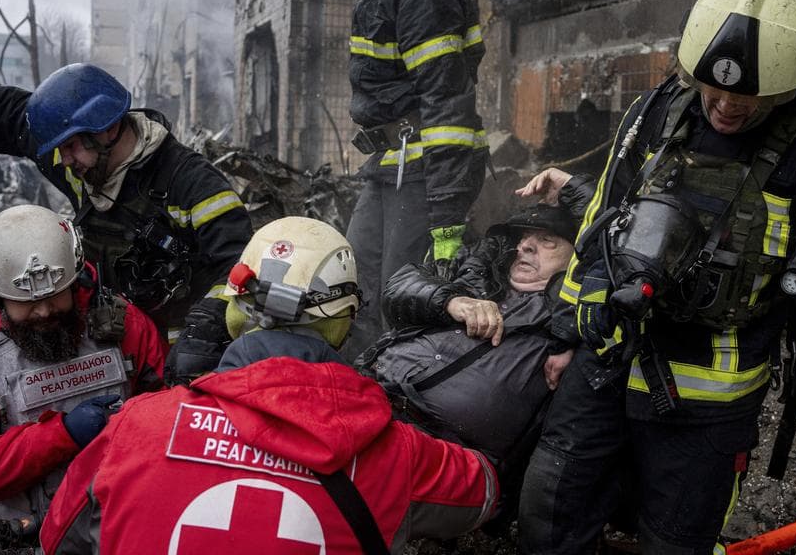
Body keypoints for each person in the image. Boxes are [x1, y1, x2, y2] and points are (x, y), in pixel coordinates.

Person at [517, 0, 796, 554]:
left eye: (745, 95)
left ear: (787, 83)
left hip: (707, 408)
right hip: (605, 369)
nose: (725, 105)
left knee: (676, 542)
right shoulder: (654, 112)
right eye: (712, 88)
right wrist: (567, 335)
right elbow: (602, 227)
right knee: (549, 516)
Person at [39, 217, 498, 554]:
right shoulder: (398, 452)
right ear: (345, 320)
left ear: (234, 309)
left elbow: (58, 539)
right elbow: (484, 491)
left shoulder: (136, 426)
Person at [0, 62, 254, 385]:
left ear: (108, 129)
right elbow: (11, 112)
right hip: (115, 344)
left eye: (70, 146)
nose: (64, 161)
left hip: (178, 354)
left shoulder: (191, 183)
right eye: (59, 149)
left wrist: (203, 329)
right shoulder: (79, 165)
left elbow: (241, 263)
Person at [306, 0, 488, 356]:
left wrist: (447, 216)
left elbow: (448, 105)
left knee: (397, 302)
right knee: (349, 290)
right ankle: (347, 395)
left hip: (424, 170)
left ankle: (396, 411)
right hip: (388, 168)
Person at [0, 204, 166, 528]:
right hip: (17, 539)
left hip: (120, 522)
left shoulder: (124, 325)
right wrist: (62, 435)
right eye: (27, 301)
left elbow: (171, 419)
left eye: (56, 295)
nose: (44, 311)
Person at [365, 175, 591, 461]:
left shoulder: (572, 318)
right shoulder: (479, 271)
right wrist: (451, 300)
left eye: (547, 240)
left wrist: (574, 189)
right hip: (372, 396)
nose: (525, 247)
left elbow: (616, 248)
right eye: (523, 238)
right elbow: (398, 288)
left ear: (577, 258)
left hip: (441, 450)